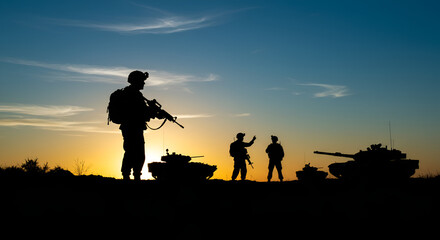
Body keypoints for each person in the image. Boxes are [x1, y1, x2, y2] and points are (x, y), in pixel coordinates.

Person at [119, 70, 153, 181]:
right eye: (142, 81)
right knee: (134, 152)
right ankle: (130, 176)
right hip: (132, 127)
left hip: (132, 127)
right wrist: (151, 111)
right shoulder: (133, 94)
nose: (144, 83)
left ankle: (131, 175)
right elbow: (140, 112)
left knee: (133, 152)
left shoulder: (134, 93)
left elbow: (142, 112)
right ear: (136, 81)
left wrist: (152, 111)